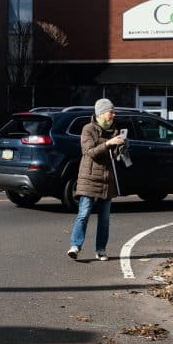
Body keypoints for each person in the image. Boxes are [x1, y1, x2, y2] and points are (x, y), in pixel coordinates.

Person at [67, 98, 125, 261]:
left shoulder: (114, 131)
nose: (114, 114)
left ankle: (101, 249)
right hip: (89, 178)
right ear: (101, 113)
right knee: (84, 213)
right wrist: (108, 143)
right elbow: (89, 152)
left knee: (104, 218)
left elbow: (114, 157)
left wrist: (120, 148)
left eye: (113, 112)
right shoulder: (88, 129)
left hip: (107, 180)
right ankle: (75, 246)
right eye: (110, 112)